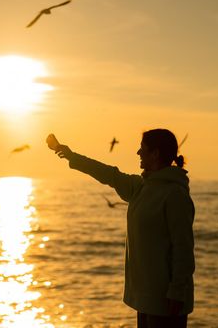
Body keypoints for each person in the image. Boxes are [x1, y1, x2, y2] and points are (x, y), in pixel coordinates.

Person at [47, 129, 195, 328]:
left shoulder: (174, 194)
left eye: (143, 149)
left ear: (155, 154)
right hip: (145, 298)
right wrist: (72, 156)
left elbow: (183, 249)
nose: (137, 153)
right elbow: (108, 173)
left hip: (167, 302)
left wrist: (177, 293)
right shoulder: (140, 187)